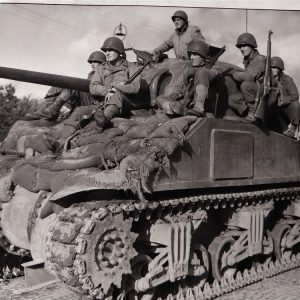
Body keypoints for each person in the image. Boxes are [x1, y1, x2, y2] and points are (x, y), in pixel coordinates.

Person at [24, 50, 106, 121]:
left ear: (102, 64)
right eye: (91, 62)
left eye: (95, 62)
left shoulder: (105, 74)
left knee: (73, 84)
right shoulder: (91, 74)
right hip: (86, 99)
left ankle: (52, 111)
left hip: (95, 103)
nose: (92, 64)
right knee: (59, 84)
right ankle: (46, 110)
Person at [155, 40, 221, 117]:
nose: (191, 57)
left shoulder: (214, 68)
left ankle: (198, 108)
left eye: (195, 55)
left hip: (201, 103)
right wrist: (175, 93)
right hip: (186, 100)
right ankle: (176, 108)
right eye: (190, 55)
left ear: (203, 56)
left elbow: (214, 74)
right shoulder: (188, 68)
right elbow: (179, 84)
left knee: (201, 73)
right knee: (160, 98)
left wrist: (197, 72)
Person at [89, 36, 142, 129]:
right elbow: (93, 87)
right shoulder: (101, 68)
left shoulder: (131, 67)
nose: (107, 53)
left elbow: (135, 87)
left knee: (116, 95)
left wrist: (116, 87)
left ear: (119, 51)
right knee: (79, 111)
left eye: (110, 50)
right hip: (104, 102)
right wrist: (109, 90)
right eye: (105, 51)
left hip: (127, 102)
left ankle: (104, 119)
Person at [230, 33, 266, 122]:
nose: (241, 49)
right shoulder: (248, 60)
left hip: (263, 91)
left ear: (252, 46)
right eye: (240, 47)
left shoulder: (259, 59)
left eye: (244, 46)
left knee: (246, 85)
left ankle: (252, 113)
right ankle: (247, 112)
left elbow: (249, 76)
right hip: (254, 91)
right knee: (231, 100)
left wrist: (234, 74)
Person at [266, 56, 300, 138]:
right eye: (271, 67)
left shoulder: (287, 80)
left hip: (284, 109)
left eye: (275, 67)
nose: (272, 69)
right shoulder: (266, 80)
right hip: (272, 109)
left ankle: (292, 129)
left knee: (296, 105)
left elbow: (295, 96)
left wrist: (283, 100)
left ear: (280, 69)